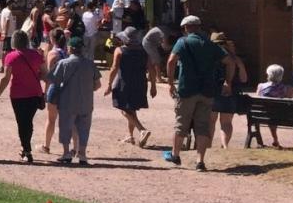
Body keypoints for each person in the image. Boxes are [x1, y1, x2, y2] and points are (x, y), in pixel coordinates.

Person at [163, 15, 234, 171]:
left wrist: (170, 83)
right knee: (202, 126)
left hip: (187, 89)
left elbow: (171, 61)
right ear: (199, 27)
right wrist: (227, 81)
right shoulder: (210, 44)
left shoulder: (182, 42)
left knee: (181, 124)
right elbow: (229, 62)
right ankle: (200, 161)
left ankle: (175, 155)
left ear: (186, 28)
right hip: (207, 90)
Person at [50, 32, 102, 165]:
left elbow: (54, 81)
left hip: (67, 101)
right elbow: (98, 85)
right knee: (84, 128)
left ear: (70, 48)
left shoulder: (63, 63)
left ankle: (66, 153)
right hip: (86, 102)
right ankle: (82, 154)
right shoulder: (90, 64)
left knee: (65, 127)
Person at [0, 30, 46, 163]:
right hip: (34, 93)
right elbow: (45, 74)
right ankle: (26, 148)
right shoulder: (36, 55)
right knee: (28, 121)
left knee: (22, 122)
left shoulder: (11, 56)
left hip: (18, 94)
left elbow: (6, 78)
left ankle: (26, 150)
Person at [103, 27, 156, 147]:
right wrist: (153, 86)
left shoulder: (119, 50)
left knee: (123, 109)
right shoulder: (144, 52)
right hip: (140, 83)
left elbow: (114, 68)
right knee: (131, 109)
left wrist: (109, 85)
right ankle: (130, 136)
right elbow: (151, 69)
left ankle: (142, 129)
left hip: (124, 83)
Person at [257, 64, 293, 148]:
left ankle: (275, 139)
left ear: (268, 74)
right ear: (281, 76)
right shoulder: (284, 88)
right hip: (283, 116)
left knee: (272, 116)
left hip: (265, 115)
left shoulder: (260, 86)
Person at [208, 32, 248, 149]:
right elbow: (244, 79)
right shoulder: (235, 59)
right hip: (230, 93)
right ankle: (225, 146)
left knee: (210, 121)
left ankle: (208, 146)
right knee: (226, 122)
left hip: (213, 91)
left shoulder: (210, 57)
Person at [41, 30, 73, 154]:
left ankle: (46, 146)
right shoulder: (68, 53)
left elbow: (49, 76)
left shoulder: (52, 54)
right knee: (67, 120)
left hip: (55, 88)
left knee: (51, 119)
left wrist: (45, 92)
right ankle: (71, 148)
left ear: (52, 40)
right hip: (67, 88)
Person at [0, 0, 17, 67]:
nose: (14, 5)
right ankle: (5, 65)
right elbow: (7, 22)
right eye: (13, 4)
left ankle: (4, 65)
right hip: (8, 34)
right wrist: (5, 32)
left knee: (6, 50)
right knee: (6, 51)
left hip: (7, 33)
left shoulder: (4, 10)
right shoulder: (8, 12)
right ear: (10, 4)